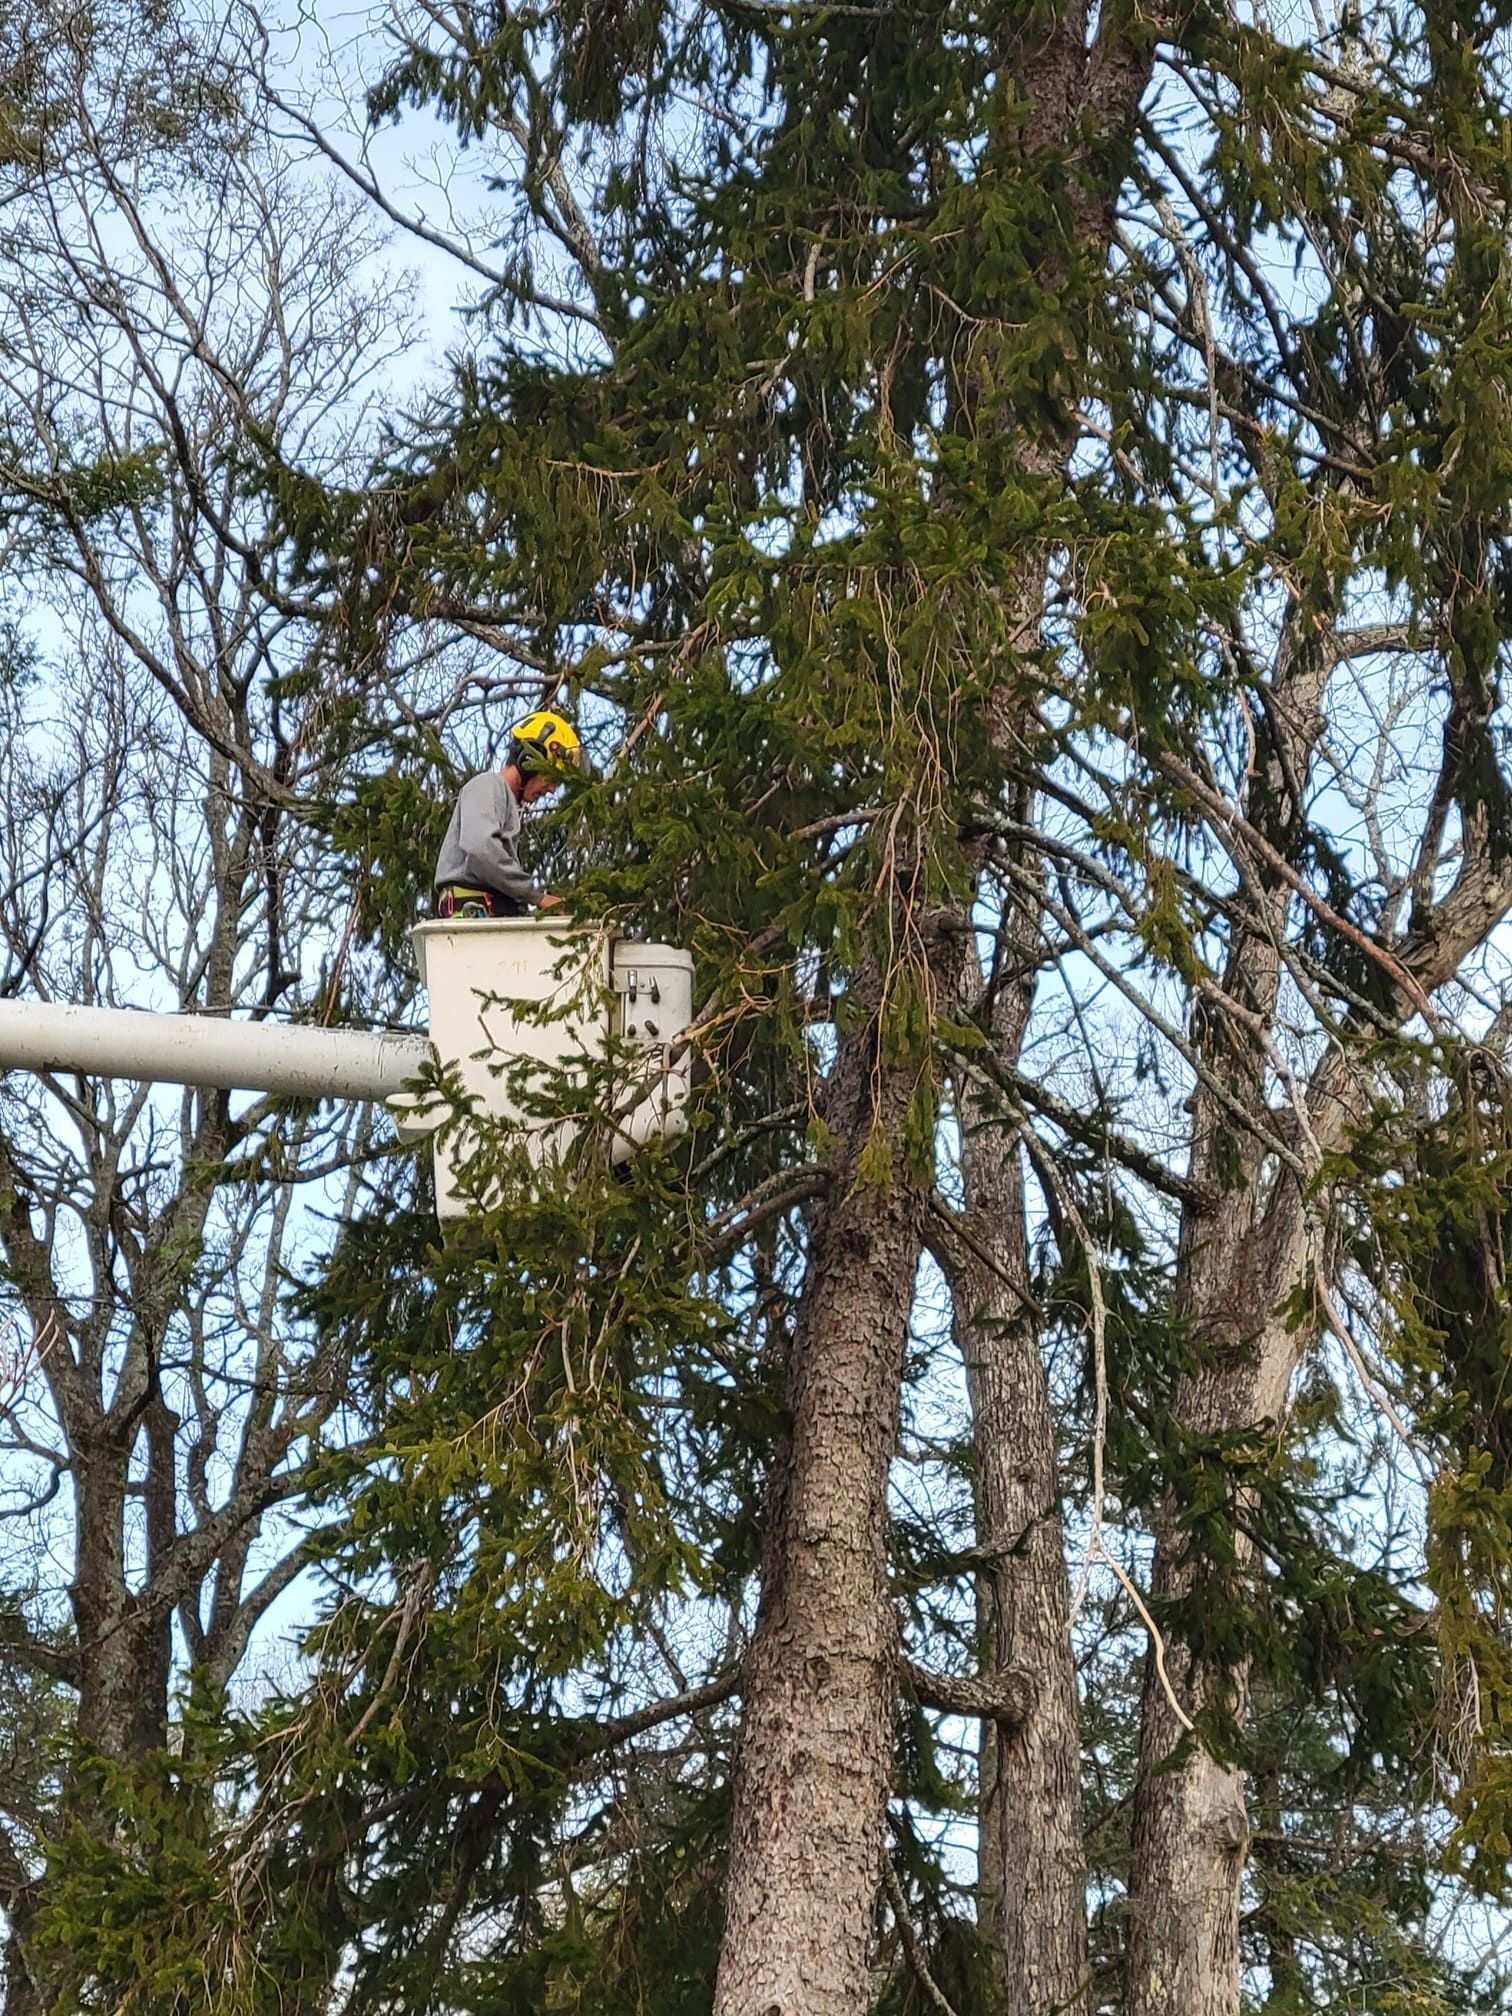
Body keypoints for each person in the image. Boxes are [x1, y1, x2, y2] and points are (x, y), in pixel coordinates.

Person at [434, 708, 582, 919]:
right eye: (551, 777)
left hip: (491, 917)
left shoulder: (505, 802)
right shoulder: (488, 785)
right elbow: (481, 848)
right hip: (473, 918)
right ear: (529, 760)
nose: (551, 789)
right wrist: (538, 897)